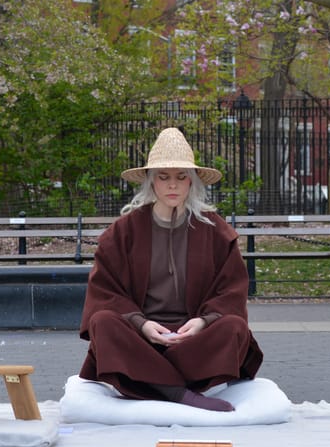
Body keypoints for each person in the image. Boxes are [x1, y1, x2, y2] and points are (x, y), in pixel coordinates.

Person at [78, 127, 264, 412]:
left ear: (192, 182)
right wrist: (141, 324)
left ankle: (150, 380)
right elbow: (105, 291)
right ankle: (178, 392)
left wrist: (202, 322)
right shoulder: (124, 231)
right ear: (151, 182)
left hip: (193, 339)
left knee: (234, 328)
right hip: (141, 338)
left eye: (181, 177)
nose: (172, 185)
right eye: (163, 177)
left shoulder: (214, 230)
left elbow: (231, 290)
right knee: (103, 322)